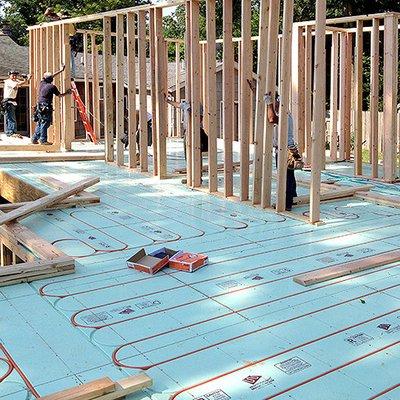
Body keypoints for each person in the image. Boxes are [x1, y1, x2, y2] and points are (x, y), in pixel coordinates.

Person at [264, 90, 298, 211]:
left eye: (275, 102)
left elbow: (272, 118)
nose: (275, 105)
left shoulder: (284, 115)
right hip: (288, 149)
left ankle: (286, 204)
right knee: (289, 175)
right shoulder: (284, 113)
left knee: (285, 177)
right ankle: (293, 198)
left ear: (279, 102)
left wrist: (268, 102)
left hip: (286, 150)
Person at [166, 94, 208, 183]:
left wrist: (190, 111)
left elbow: (199, 119)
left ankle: (198, 178)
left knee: (196, 155)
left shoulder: (198, 106)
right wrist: (168, 101)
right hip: (187, 133)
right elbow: (178, 105)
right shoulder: (186, 104)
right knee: (188, 156)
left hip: (196, 132)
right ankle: (190, 177)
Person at [32, 67, 71, 145]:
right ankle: (43, 140)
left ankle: (34, 138)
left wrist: (60, 70)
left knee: (40, 122)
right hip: (46, 106)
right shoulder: (52, 87)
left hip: (39, 106)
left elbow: (50, 76)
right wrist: (67, 93)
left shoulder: (42, 83)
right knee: (45, 123)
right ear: (51, 79)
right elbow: (59, 95)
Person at [2, 71, 30, 139]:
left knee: (10, 117)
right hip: (8, 102)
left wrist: (26, 79)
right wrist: (26, 79)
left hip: (12, 102)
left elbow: (23, 83)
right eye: (13, 75)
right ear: (9, 75)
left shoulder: (15, 80)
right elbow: (18, 84)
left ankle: (9, 132)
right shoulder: (8, 81)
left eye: (15, 75)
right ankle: (11, 132)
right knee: (11, 118)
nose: (14, 77)